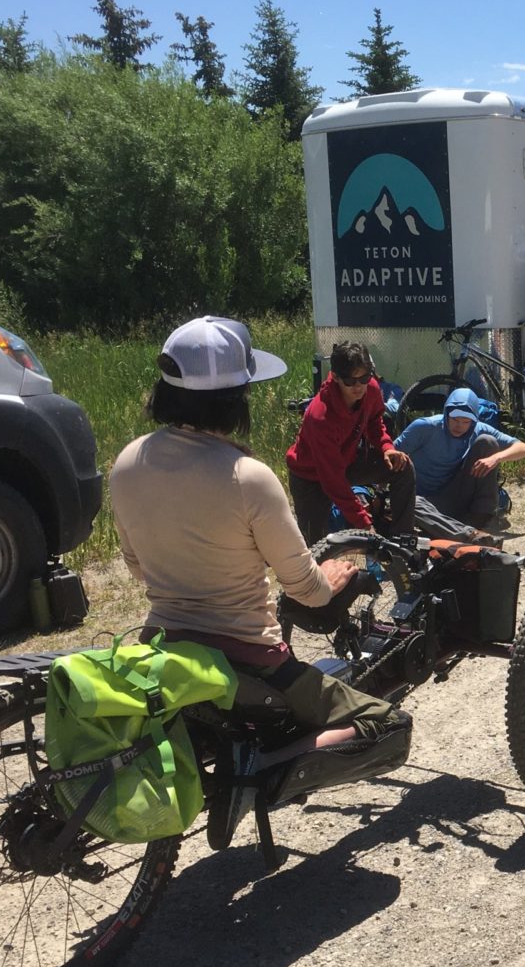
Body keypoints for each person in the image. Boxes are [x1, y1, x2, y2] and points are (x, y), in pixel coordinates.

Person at [108, 316, 406, 844]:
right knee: (387, 726)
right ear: (235, 398)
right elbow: (307, 590)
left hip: (164, 641)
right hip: (248, 657)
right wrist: (335, 575)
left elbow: (137, 566)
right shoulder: (248, 477)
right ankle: (255, 777)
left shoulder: (128, 461)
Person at [286, 340, 415, 546]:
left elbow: (374, 421)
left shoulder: (370, 389)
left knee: (403, 466)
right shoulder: (320, 417)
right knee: (316, 550)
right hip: (310, 477)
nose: (358, 386)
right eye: (350, 381)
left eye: (364, 378)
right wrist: (363, 523)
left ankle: (403, 542)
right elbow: (333, 480)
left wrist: (386, 447)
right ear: (335, 377)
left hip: (346, 462)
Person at [395, 387, 525, 534]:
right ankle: (464, 532)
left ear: (473, 421)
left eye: (465, 421)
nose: (459, 426)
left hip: (455, 496)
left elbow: (524, 448)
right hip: (423, 501)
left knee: (488, 442)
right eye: (454, 419)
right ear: (446, 414)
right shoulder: (425, 427)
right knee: (412, 504)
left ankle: (482, 518)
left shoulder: (479, 429)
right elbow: (391, 454)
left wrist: (495, 458)